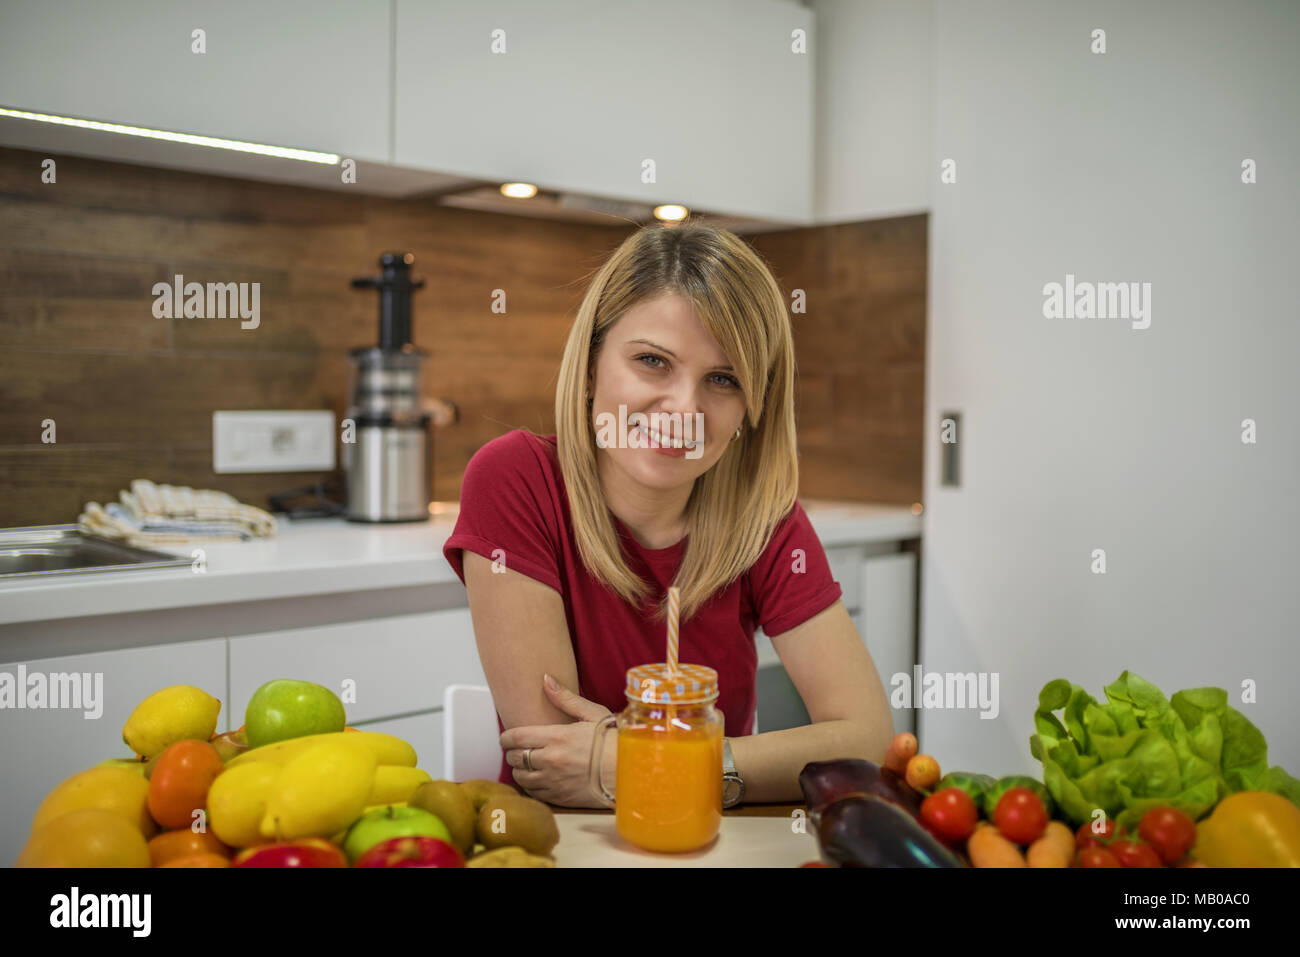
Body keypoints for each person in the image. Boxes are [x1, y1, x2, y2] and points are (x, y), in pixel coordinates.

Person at [441, 220, 893, 808]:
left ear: (750, 411)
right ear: (590, 366)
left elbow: (871, 746)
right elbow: (549, 762)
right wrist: (720, 764)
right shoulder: (516, 479)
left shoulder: (765, 521)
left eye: (723, 379)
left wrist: (635, 759)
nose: (685, 407)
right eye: (653, 361)